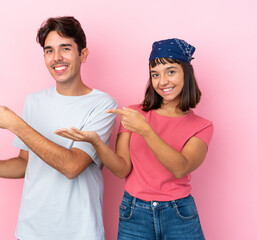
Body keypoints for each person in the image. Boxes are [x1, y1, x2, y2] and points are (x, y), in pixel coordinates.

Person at [0, 16, 117, 240]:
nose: (57, 58)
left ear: (83, 54)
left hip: (79, 232)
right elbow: (25, 163)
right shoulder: (34, 102)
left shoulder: (103, 105)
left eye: (65, 48)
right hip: (31, 230)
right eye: (49, 50)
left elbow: (72, 166)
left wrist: (16, 125)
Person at [55, 38, 213, 240]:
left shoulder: (201, 126)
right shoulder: (133, 113)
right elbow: (122, 169)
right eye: (155, 74)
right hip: (134, 211)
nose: (162, 81)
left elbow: (181, 167)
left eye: (171, 72)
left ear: (186, 74)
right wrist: (95, 141)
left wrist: (146, 130)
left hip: (179, 213)